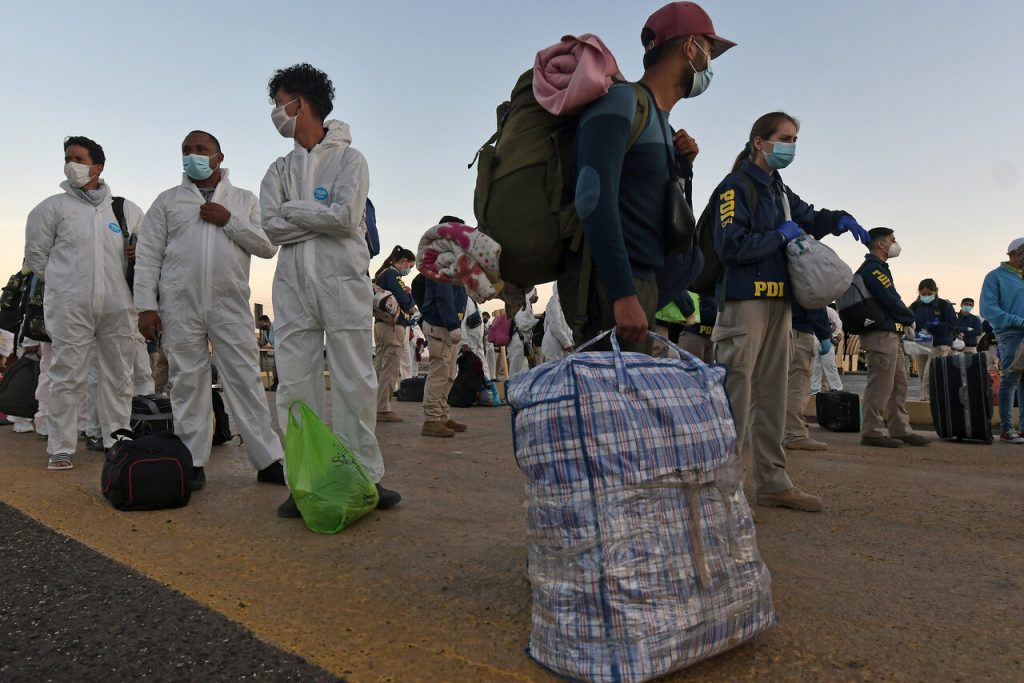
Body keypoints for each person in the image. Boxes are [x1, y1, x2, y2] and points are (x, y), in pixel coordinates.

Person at [710, 112, 869, 511]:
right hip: (744, 304)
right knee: (736, 396)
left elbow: (809, 215)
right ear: (759, 142)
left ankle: (773, 482)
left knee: (772, 396)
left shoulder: (779, 190)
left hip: (781, 304)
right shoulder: (736, 187)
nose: (791, 146)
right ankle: (722, 486)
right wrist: (778, 236)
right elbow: (730, 246)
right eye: (784, 138)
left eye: (795, 139)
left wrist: (840, 220)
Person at [259, 63, 400, 513]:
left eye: (279, 102)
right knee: (295, 385)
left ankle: (364, 479)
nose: (276, 112)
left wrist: (293, 212)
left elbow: (345, 218)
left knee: (354, 381)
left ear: (299, 104)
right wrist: (320, 217)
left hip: (342, 284)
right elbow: (269, 229)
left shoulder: (349, 160)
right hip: (293, 287)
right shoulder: (277, 169)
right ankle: (305, 482)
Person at [557, 1, 736, 352]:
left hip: (641, 284)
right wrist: (623, 294)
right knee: (608, 404)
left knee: (626, 405)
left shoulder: (660, 123)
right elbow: (593, 197)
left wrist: (683, 168)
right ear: (690, 47)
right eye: (708, 52)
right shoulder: (621, 103)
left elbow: (665, 217)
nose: (708, 65)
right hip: (610, 286)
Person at [135, 130, 286, 491]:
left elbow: (267, 246)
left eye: (201, 149)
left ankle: (268, 459)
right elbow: (148, 255)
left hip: (229, 303)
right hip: (179, 304)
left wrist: (229, 219)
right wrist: (145, 306)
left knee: (245, 380)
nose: (192, 155)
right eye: (186, 150)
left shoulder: (244, 199)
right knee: (187, 383)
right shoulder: (167, 201)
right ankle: (193, 460)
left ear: (219, 157)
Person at [23, 136, 142, 471]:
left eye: (78, 157)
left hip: (118, 305)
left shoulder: (126, 210)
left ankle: (116, 436)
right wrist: (66, 286)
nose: (70, 163)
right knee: (66, 375)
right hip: (70, 305)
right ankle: (60, 446)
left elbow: (145, 252)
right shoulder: (51, 208)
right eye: (67, 157)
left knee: (118, 373)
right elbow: (37, 257)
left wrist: (136, 254)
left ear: (97, 166)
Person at [856, 228, 931, 448]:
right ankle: (871, 431)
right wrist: (909, 318)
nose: (896, 244)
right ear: (881, 244)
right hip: (880, 335)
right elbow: (890, 299)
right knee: (880, 384)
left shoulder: (879, 268)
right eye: (892, 240)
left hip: (891, 333)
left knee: (899, 383)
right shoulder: (873, 269)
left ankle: (900, 428)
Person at [420, 227, 468, 438]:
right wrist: (452, 324)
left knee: (448, 375)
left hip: (448, 326)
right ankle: (431, 420)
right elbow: (444, 296)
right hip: (441, 326)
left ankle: (441, 416)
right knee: (439, 374)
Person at [979, 237, 1024, 443]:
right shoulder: (995, 277)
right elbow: (988, 309)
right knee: (1010, 380)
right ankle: (1007, 428)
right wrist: (1017, 321)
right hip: (1011, 334)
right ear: (1013, 254)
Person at [373, 246, 417, 422]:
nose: (409, 270)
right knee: (390, 369)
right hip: (392, 326)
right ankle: (383, 409)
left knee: (379, 366)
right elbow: (405, 301)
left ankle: (372, 405)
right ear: (404, 261)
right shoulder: (392, 275)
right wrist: (410, 296)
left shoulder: (382, 274)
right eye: (410, 267)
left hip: (380, 325)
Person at [784, 305, 832, 451]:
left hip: (772, 329)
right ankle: (795, 434)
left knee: (772, 384)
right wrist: (824, 334)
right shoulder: (802, 280)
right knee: (797, 385)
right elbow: (813, 300)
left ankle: (769, 432)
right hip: (798, 332)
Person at [909, 278, 958, 400]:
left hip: (939, 343)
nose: (926, 296)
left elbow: (952, 324)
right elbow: (908, 321)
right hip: (921, 342)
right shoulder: (915, 307)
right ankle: (932, 398)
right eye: (923, 294)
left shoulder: (944, 305)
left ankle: (927, 402)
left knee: (929, 375)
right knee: (922, 375)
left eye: (929, 294)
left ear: (935, 292)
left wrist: (937, 326)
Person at [811, 304, 844, 393]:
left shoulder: (829, 311)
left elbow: (838, 325)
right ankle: (815, 388)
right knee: (815, 365)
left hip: (825, 338)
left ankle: (836, 387)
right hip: (817, 338)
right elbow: (838, 325)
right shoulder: (828, 310)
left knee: (828, 365)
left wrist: (833, 337)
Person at [508, 288, 538, 376]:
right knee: (517, 372)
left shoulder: (526, 304)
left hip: (522, 342)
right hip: (518, 342)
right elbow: (521, 324)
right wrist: (536, 322)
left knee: (523, 371)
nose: (536, 296)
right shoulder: (523, 304)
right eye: (535, 293)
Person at [541, 284, 574, 362]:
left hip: (562, 345)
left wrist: (570, 341)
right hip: (554, 345)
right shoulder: (553, 302)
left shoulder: (564, 304)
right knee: (554, 372)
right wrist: (567, 343)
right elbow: (555, 326)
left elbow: (566, 327)